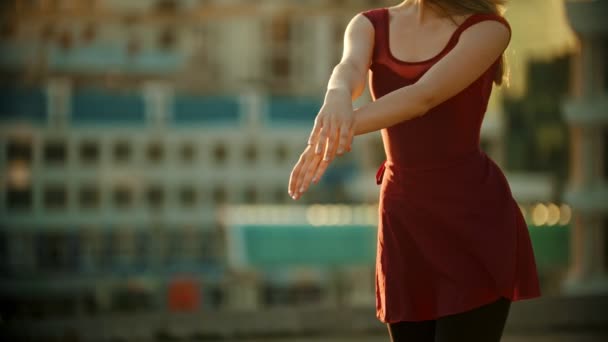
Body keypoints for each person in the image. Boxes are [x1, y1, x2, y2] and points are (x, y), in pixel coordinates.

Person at [287, 0, 541, 341]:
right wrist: (336, 95)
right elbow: (348, 68)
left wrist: (333, 132)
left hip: (471, 219)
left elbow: (422, 97)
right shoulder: (369, 24)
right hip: (404, 220)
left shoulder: (488, 29)